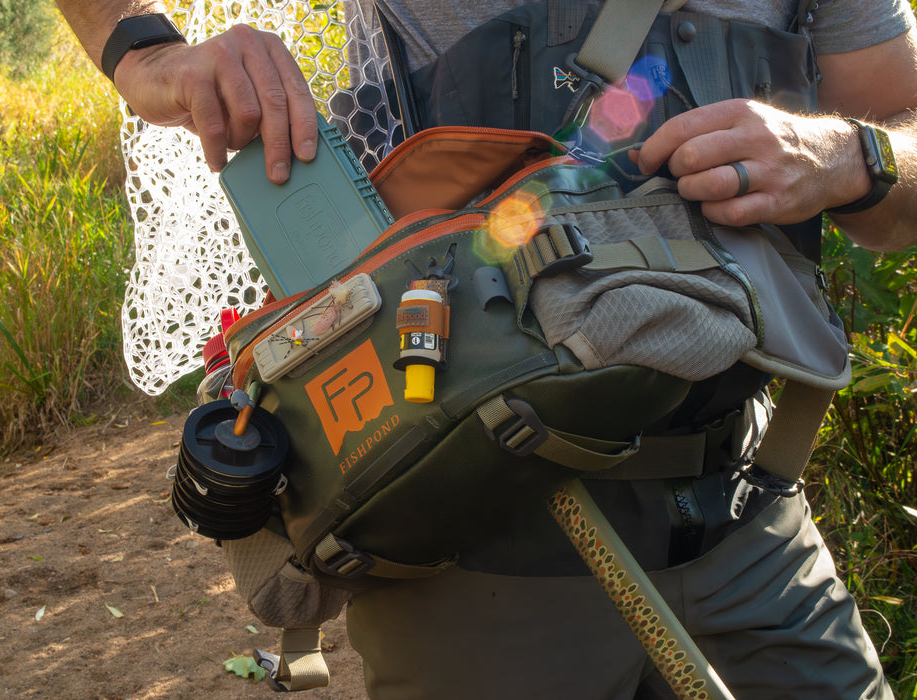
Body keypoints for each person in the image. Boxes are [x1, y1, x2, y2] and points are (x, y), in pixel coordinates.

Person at [55, 1, 917, 698]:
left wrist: (859, 156)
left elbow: (898, 185)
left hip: (752, 533)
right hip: (476, 555)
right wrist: (147, 56)